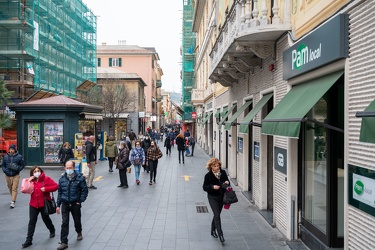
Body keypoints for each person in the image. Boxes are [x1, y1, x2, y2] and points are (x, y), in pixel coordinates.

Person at [22, 166, 58, 248]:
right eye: (35, 171)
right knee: (32, 221)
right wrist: (28, 181)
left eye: (38, 171)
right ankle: (29, 240)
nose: (37, 172)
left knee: (46, 219)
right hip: (33, 204)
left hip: (43, 203)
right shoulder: (30, 180)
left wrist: (46, 189)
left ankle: (52, 229)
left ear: (41, 172)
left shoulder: (46, 179)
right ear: (32, 173)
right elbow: (24, 190)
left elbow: (56, 186)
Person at [56, 160, 89, 250]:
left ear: (74, 168)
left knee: (77, 220)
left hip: (75, 203)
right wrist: (58, 205)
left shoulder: (79, 178)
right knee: (64, 222)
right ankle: (64, 241)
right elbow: (60, 193)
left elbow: (84, 190)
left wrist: (80, 200)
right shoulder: (62, 179)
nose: (68, 169)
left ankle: (79, 232)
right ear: (65, 168)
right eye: (67, 168)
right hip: (65, 203)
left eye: (70, 168)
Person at [202, 158, 230, 243]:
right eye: (215, 166)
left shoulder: (223, 173)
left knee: (216, 215)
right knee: (217, 215)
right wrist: (212, 187)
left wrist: (226, 182)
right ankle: (220, 234)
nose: (217, 167)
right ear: (211, 166)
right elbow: (204, 187)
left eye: (218, 166)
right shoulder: (208, 176)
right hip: (212, 197)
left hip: (221, 196)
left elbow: (227, 182)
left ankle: (212, 230)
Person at [2, 144, 25, 208]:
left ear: (15, 150)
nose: (11, 150)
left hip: (16, 175)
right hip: (8, 175)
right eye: (10, 149)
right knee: (10, 187)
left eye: (12, 149)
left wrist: (18, 170)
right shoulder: (5, 157)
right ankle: (13, 197)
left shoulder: (19, 157)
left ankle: (13, 201)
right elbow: (3, 165)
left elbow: (22, 165)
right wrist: (5, 170)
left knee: (14, 188)